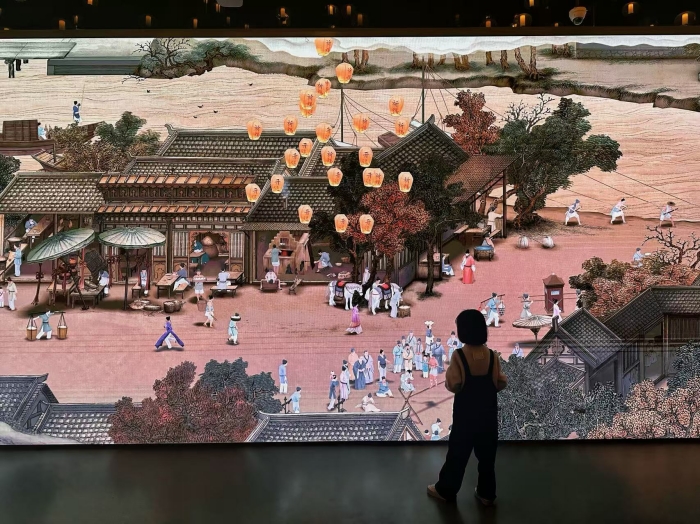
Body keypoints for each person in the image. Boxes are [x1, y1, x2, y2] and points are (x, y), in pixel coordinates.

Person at [428, 309, 508, 505]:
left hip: (465, 416)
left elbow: (453, 384)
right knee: (487, 456)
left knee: (457, 454)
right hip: (488, 415)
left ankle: (446, 490)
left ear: (463, 331)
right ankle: (487, 494)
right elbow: (501, 382)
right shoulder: (491, 355)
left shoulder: (459, 355)